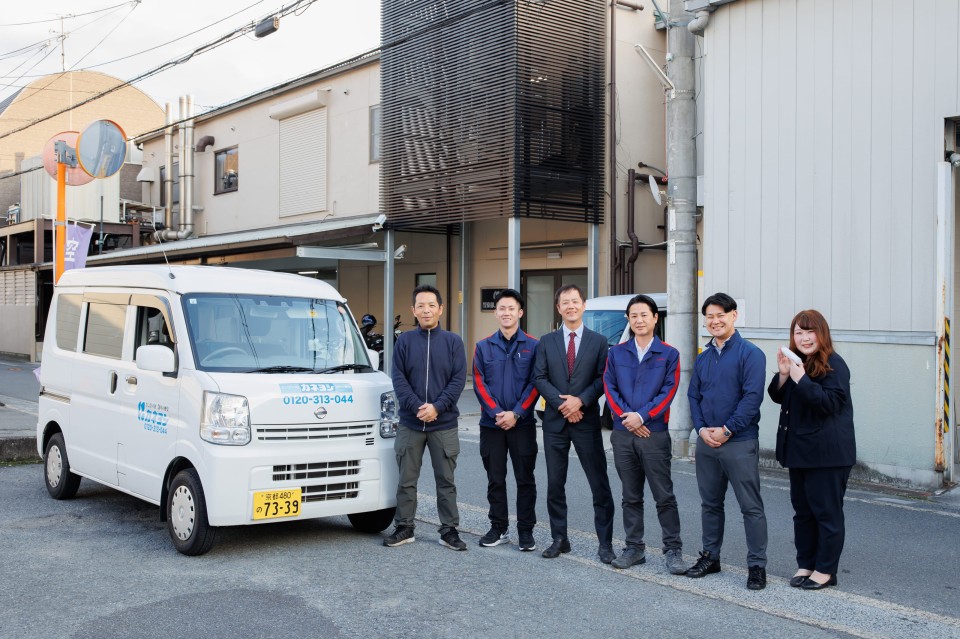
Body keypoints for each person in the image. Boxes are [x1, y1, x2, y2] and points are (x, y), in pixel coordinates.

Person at [686, 292, 769, 590]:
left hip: (739, 441)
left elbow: (752, 398)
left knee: (750, 507)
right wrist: (701, 429)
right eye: (710, 316)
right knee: (710, 503)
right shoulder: (703, 357)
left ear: (734, 315)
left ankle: (757, 566)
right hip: (707, 442)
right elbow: (693, 396)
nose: (715, 321)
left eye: (720, 315)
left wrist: (727, 429)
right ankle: (711, 557)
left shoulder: (751, 354)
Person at [768, 309, 856, 591]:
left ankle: (826, 570)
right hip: (800, 453)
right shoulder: (798, 362)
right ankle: (806, 564)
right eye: (798, 332)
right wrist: (784, 375)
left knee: (826, 513)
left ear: (822, 334)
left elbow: (830, 404)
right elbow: (778, 397)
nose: (804, 338)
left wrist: (801, 379)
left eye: (810, 332)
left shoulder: (834, 364)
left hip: (827, 456)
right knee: (803, 513)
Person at [602, 294, 686, 574]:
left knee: (664, 495)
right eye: (634, 316)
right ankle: (634, 548)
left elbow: (668, 391)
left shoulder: (669, 354)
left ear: (655, 318)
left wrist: (642, 416)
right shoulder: (616, 353)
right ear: (628, 319)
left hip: (654, 433)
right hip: (623, 433)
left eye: (644, 315)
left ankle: (673, 550)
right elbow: (609, 388)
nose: (639, 320)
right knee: (630, 495)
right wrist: (629, 418)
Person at [533, 284, 615, 563]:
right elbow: (540, 378)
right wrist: (563, 405)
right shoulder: (546, 341)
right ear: (558, 308)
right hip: (555, 424)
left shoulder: (599, 341)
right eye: (565, 302)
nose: (570, 306)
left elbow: (602, 378)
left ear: (583, 305)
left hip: (586, 421)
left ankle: (605, 543)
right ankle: (560, 539)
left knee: (599, 484)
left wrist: (580, 401)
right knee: (555, 484)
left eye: (575, 301)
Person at [383, 285, 468, 551]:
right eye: (421, 305)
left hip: (444, 424)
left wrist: (437, 408)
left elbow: (457, 380)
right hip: (410, 423)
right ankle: (404, 527)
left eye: (431, 305)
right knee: (406, 480)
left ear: (440, 309)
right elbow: (399, 379)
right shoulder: (405, 342)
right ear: (413, 310)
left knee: (446, 481)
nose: (426, 310)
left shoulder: (453, 342)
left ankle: (449, 530)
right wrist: (418, 407)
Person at [473, 289, 540, 551]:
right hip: (492, 425)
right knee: (495, 479)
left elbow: (535, 382)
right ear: (495, 312)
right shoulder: (483, 346)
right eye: (502, 308)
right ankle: (498, 527)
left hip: (522, 425)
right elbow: (479, 383)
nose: (506, 313)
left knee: (525, 479)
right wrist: (496, 413)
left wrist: (517, 413)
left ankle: (526, 531)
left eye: (511, 308)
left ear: (520, 312)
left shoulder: (533, 345)